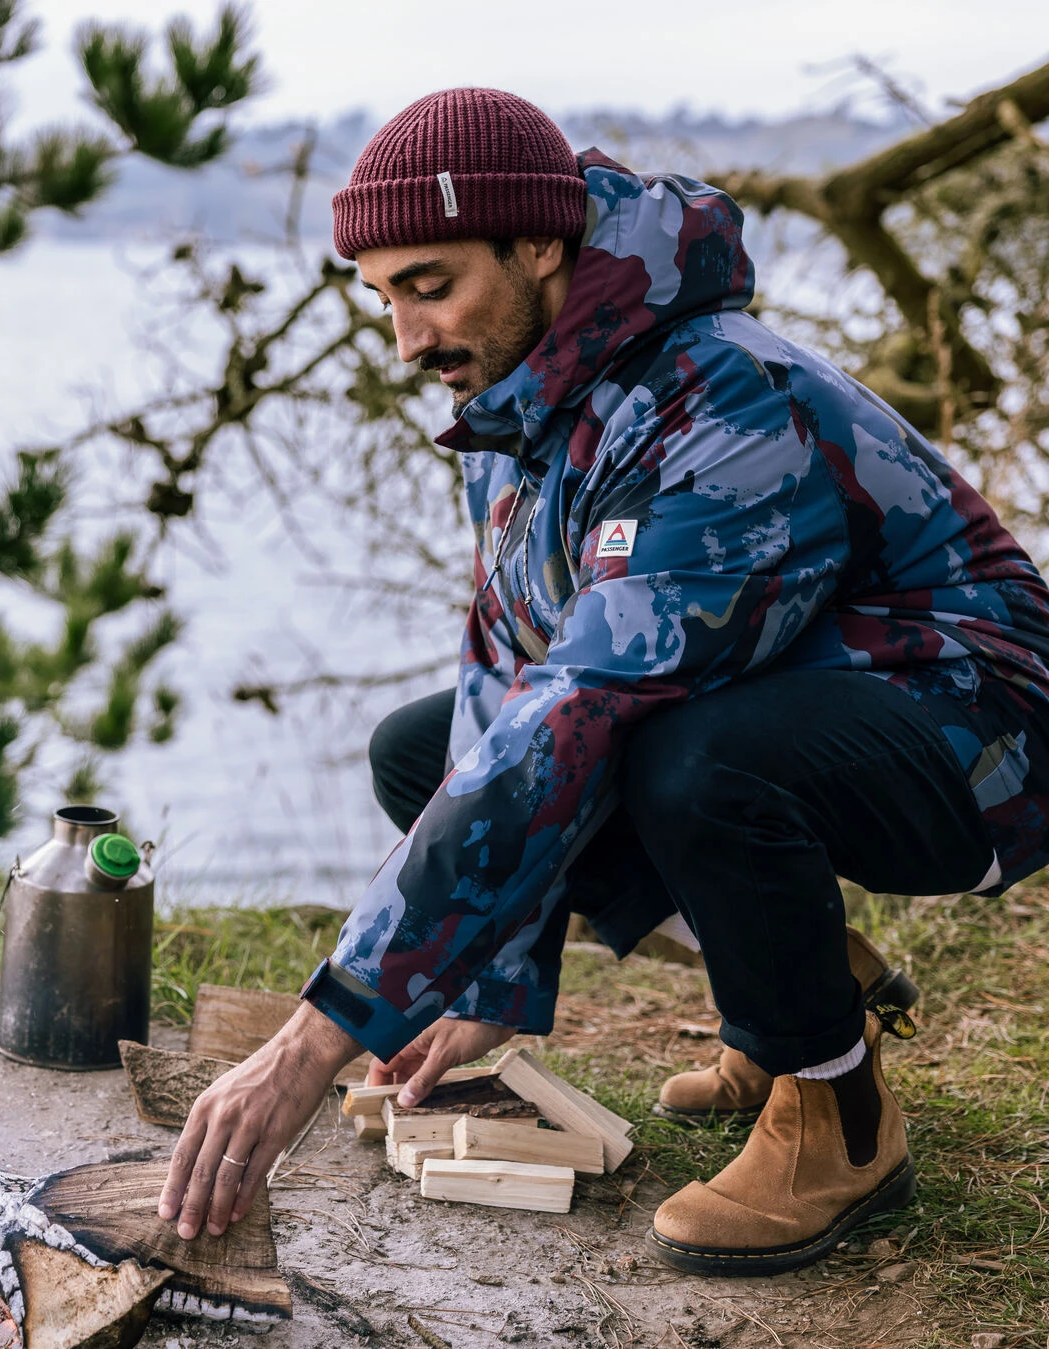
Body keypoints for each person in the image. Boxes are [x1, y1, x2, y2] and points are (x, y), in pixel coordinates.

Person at [158, 88, 1049, 1276]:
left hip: (983, 737)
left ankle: (838, 1110)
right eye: (383, 299)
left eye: (429, 285)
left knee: (686, 759)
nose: (408, 339)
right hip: (805, 697)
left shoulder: (722, 401)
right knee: (424, 751)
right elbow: (507, 678)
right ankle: (790, 990)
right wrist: (494, 973)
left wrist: (313, 1041)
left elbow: (580, 713)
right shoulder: (516, 413)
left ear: (540, 244)